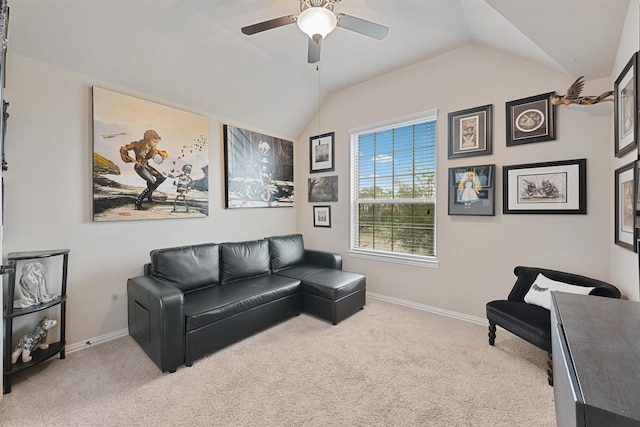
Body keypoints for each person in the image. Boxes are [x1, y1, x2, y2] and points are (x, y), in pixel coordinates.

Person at [119, 130, 168, 210]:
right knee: (152, 183)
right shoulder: (137, 145)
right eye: (154, 142)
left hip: (146, 166)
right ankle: (139, 201)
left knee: (160, 178)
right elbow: (124, 149)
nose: (155, 144)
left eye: (156, 142)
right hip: (140, 167)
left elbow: (161, 155)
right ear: (148, 139)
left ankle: (149, 195)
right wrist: (129, 158)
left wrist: (160, 154)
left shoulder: (153, 148)